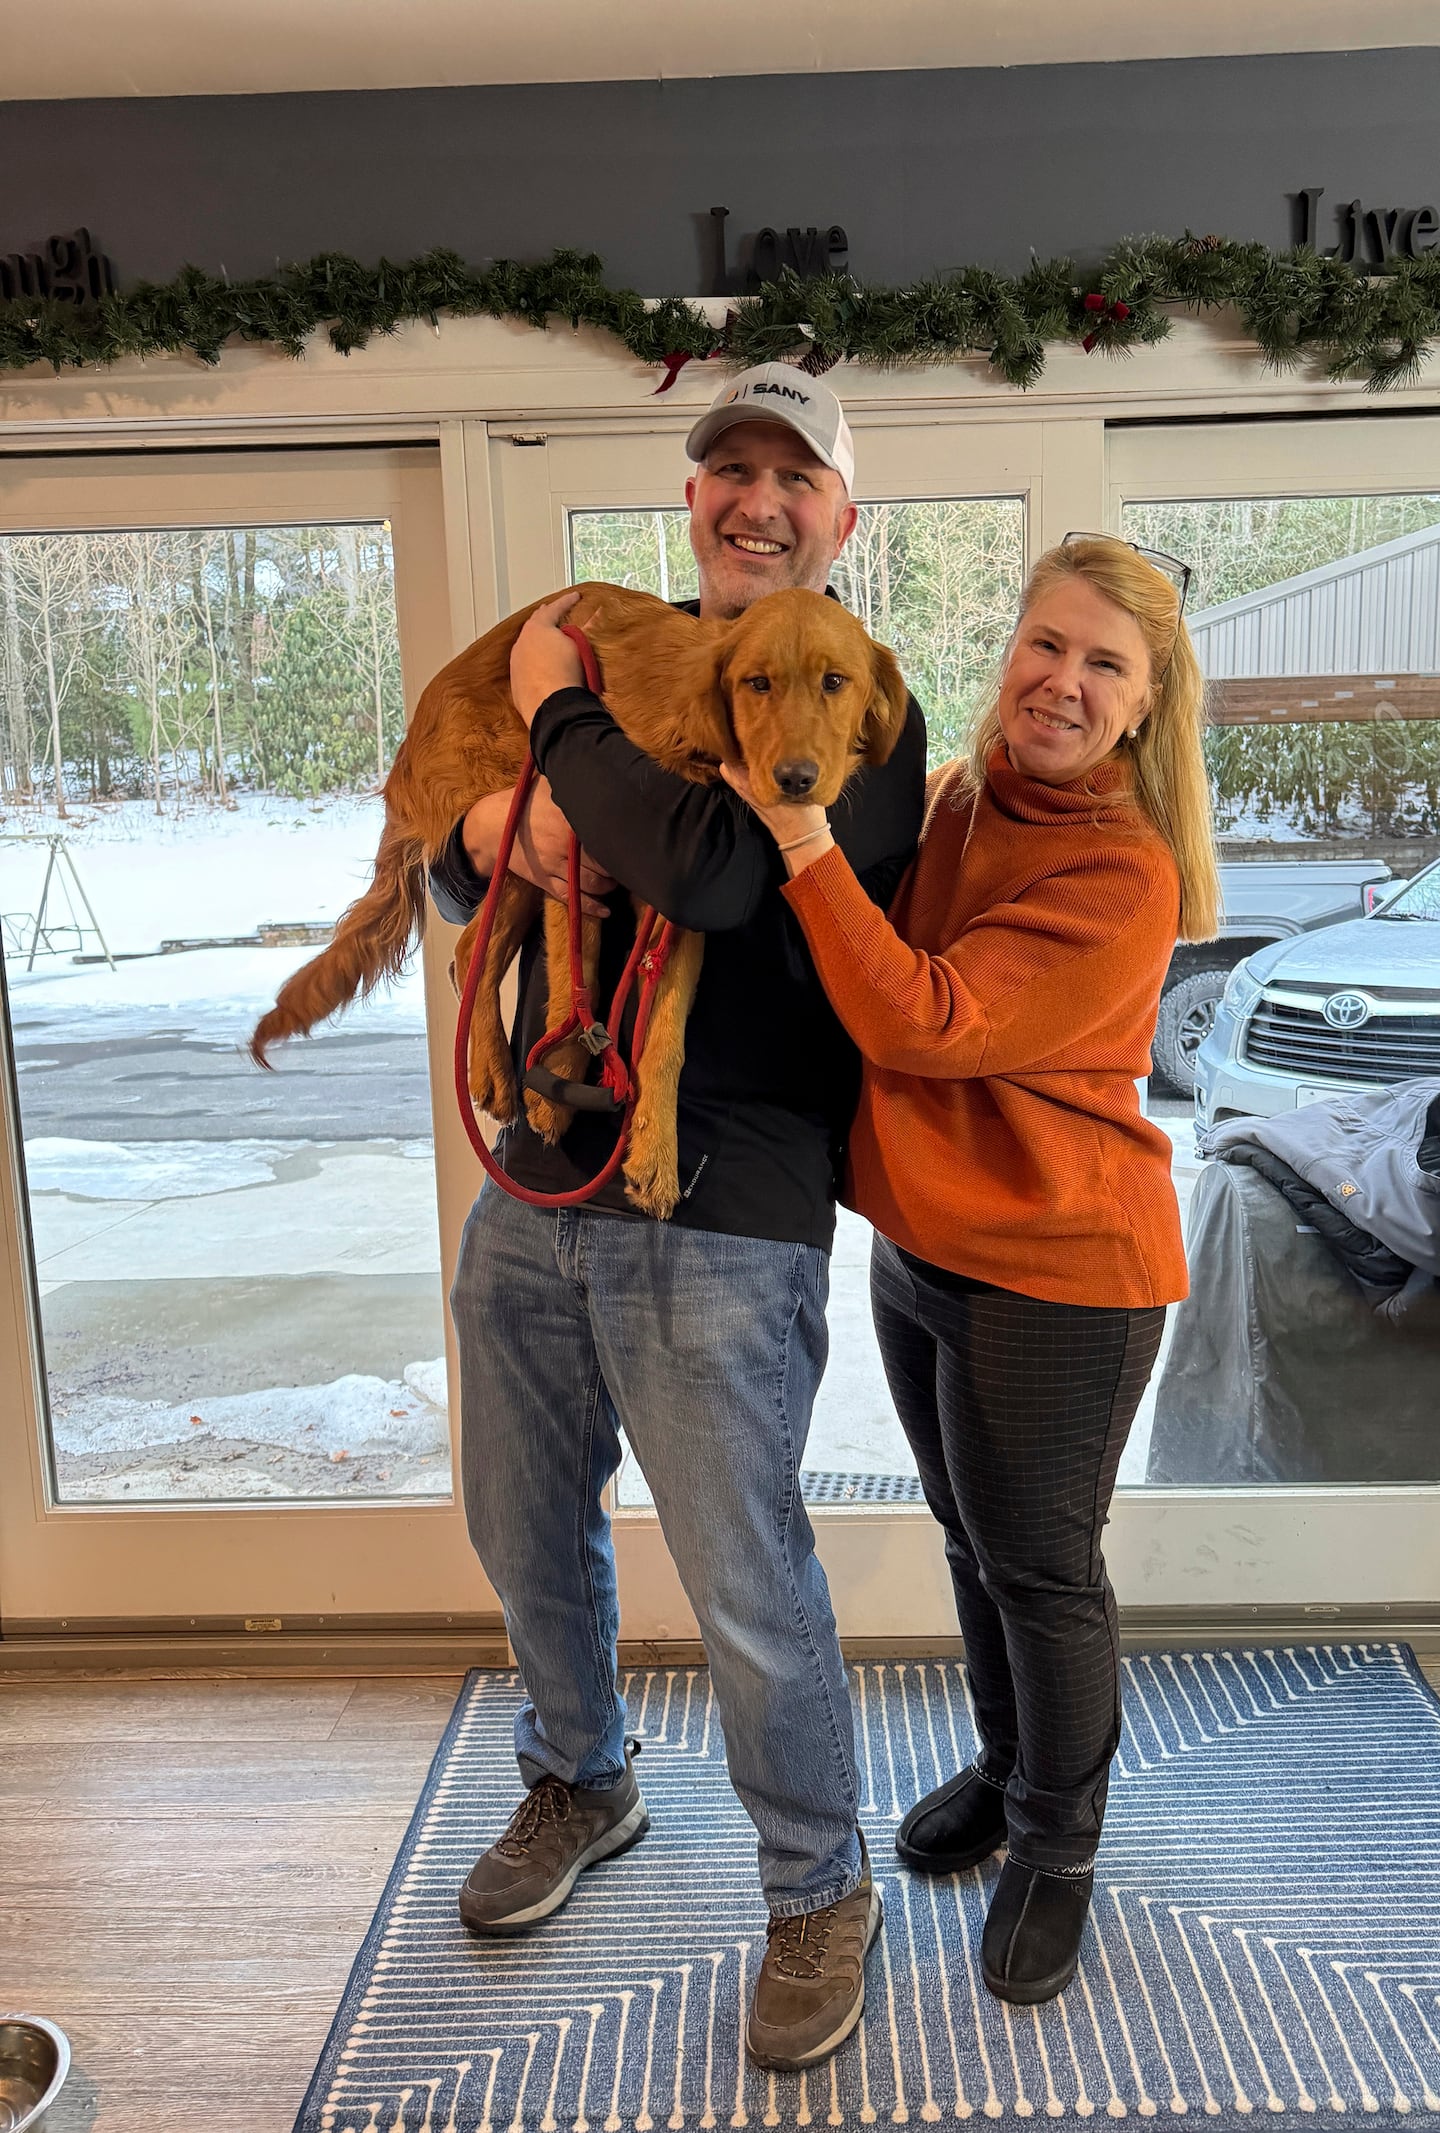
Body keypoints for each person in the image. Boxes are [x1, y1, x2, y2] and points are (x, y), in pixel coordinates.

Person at [426, 364, 927, 2071]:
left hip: (729, 1200)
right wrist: (492, 824)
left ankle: (816, 1883)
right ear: (694, 500)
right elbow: (476, 863)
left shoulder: (859, 694)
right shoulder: (662, 670)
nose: (758, 500)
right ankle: (584, 1777)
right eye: (730, 471)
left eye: (796, 476)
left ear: (843, 519)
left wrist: (554, 714)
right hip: (544, 1161)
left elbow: (712, 870)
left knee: (742, 1572)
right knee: (514, 1515)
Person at [722, 534, 1219, 2006]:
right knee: (967, 1536)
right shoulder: (965, 795)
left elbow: (926, 1017)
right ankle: (1008, 1772)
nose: (1062, 681)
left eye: (1104, 664)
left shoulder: (1121, 868)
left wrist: (801, 840)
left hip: (1062, 1268)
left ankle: (1059, 1846)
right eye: (1046, 643)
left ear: (1144, 703)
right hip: (928, 1244)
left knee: (1044, 1570)